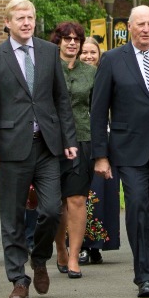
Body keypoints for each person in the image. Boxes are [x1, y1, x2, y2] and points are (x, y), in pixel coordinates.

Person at [0, 0, 78, 298]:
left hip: (47, 145)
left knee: (50, 210)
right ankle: (18, 279)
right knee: (12, 218)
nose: (26, 22)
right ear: (7, 22)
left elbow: (61, 99)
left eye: (30, 17)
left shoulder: (49, 52)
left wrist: (69, 141)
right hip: (11, 148)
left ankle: (39, 259)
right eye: (20, 18)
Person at [91, 5, 149, 298]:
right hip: (128, 151)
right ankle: (144, 274)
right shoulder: (112, 60)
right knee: (137, 208)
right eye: (140, 24)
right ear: (129, 27)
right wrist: (101, 155)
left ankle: (148, 262)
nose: (146, 29)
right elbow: (98, 110)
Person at [52, 22, 95, 279]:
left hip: (83, 139)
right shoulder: (47, 69)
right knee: (56, 204)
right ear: (58, 41)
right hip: (51, 142)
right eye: (66, 38)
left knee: (77, 199)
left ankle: (74, 256)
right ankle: (60, 248)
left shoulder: (91, 72)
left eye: (76, 39)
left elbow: (98, 108)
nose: (72, 43)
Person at [77, 37, 118, 265]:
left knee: (104, 195)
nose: (88, 56)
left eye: (93, 52)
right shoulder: (73, 77)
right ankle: (81, 244)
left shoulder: (107, 75)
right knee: (82, 195)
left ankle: (98, 244)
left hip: (106, 140)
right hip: (80, 140)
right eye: (84, 52)